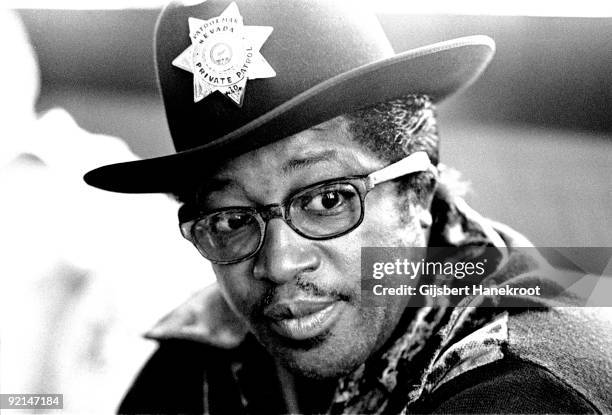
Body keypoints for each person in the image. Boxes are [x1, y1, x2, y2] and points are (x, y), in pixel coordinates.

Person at [84, 0, 612, 413]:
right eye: (229, 219)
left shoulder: (533, 378)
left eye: (327, 200)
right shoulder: (200, 364)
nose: (278, 264)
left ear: (416, 194)